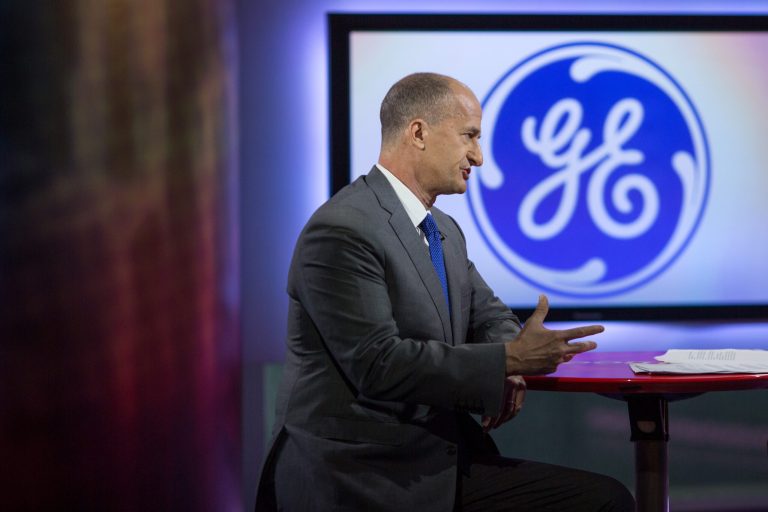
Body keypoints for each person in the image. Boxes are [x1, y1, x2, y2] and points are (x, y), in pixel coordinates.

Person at [255, 72, 635, 511]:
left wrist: (506, 361)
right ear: (418, 132)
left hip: (433, 458)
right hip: (358, 474)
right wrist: (508, 360)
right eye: (469, 136)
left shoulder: (444, 232)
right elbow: (379, 366)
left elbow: (490, 315)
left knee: (604, 496)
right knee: (603, 502)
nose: (479, 156)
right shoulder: (343, 230)